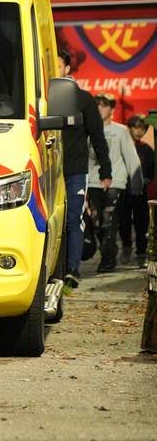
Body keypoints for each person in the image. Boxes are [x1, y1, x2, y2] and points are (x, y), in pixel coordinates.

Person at [57, 49, 111, 290]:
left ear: (67, 68)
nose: (54, 69)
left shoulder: (84, 99)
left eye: (58, 65)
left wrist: (105, 170)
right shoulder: (40, 98)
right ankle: (53, 271)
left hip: (75, 171)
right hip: (47, 171)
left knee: (72, 219)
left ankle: (72, 270)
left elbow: (98, 137)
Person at [87, 92, 141, 274]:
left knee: (109, 222)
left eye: (104, 105)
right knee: (97, 223)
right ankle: (108, 253)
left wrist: (137, 185)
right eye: (97, 105)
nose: (100, 109)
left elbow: (131, 158)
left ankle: (108, 260)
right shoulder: (89, 130)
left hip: (115, 183)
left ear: (112, 108)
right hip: (93, 182)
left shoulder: (121, 131)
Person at [118, 114, 154, 267]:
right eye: (136, 128)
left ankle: (141, 253)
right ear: (129, 128)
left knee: (142, 223)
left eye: (142, 128)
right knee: (123, 221)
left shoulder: (146, 149)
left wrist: (144, 179)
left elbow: (150, 169)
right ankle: (126, 247)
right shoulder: (122, 145)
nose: (139, 131)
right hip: (124, 189)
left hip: (140, 191)